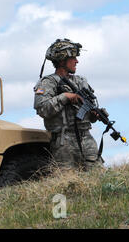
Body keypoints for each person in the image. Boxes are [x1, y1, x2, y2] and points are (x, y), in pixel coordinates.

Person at [33, 38, 103, 171]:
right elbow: (42, 108)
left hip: (86, 137)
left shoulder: (81, 81)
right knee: (67, 181)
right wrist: (65, 96)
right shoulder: (48, 82)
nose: (77, 61)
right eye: (73, 58)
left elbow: (88, 111)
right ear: (62, 60)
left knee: (98, 178)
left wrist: (94, 114)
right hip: (63, 141)